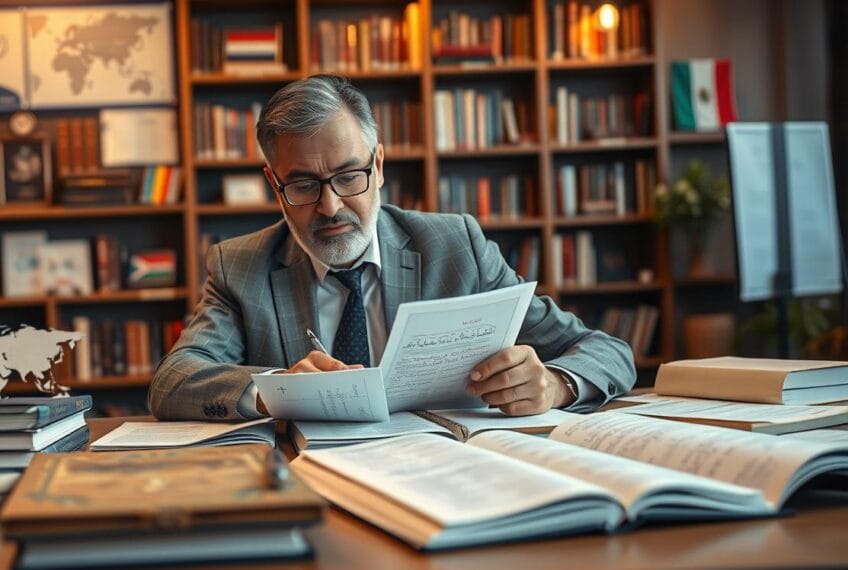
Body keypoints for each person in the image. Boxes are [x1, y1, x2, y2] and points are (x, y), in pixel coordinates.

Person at [149, 74, 635, 421]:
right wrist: (278, 389)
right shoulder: (239, 267)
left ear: (378, 165)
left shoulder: (455, 246)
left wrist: (554, 384)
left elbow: (606, 351)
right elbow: (173, 382)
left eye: (349, 176)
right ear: (273, 185)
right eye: (302, 186)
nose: (330, 206)